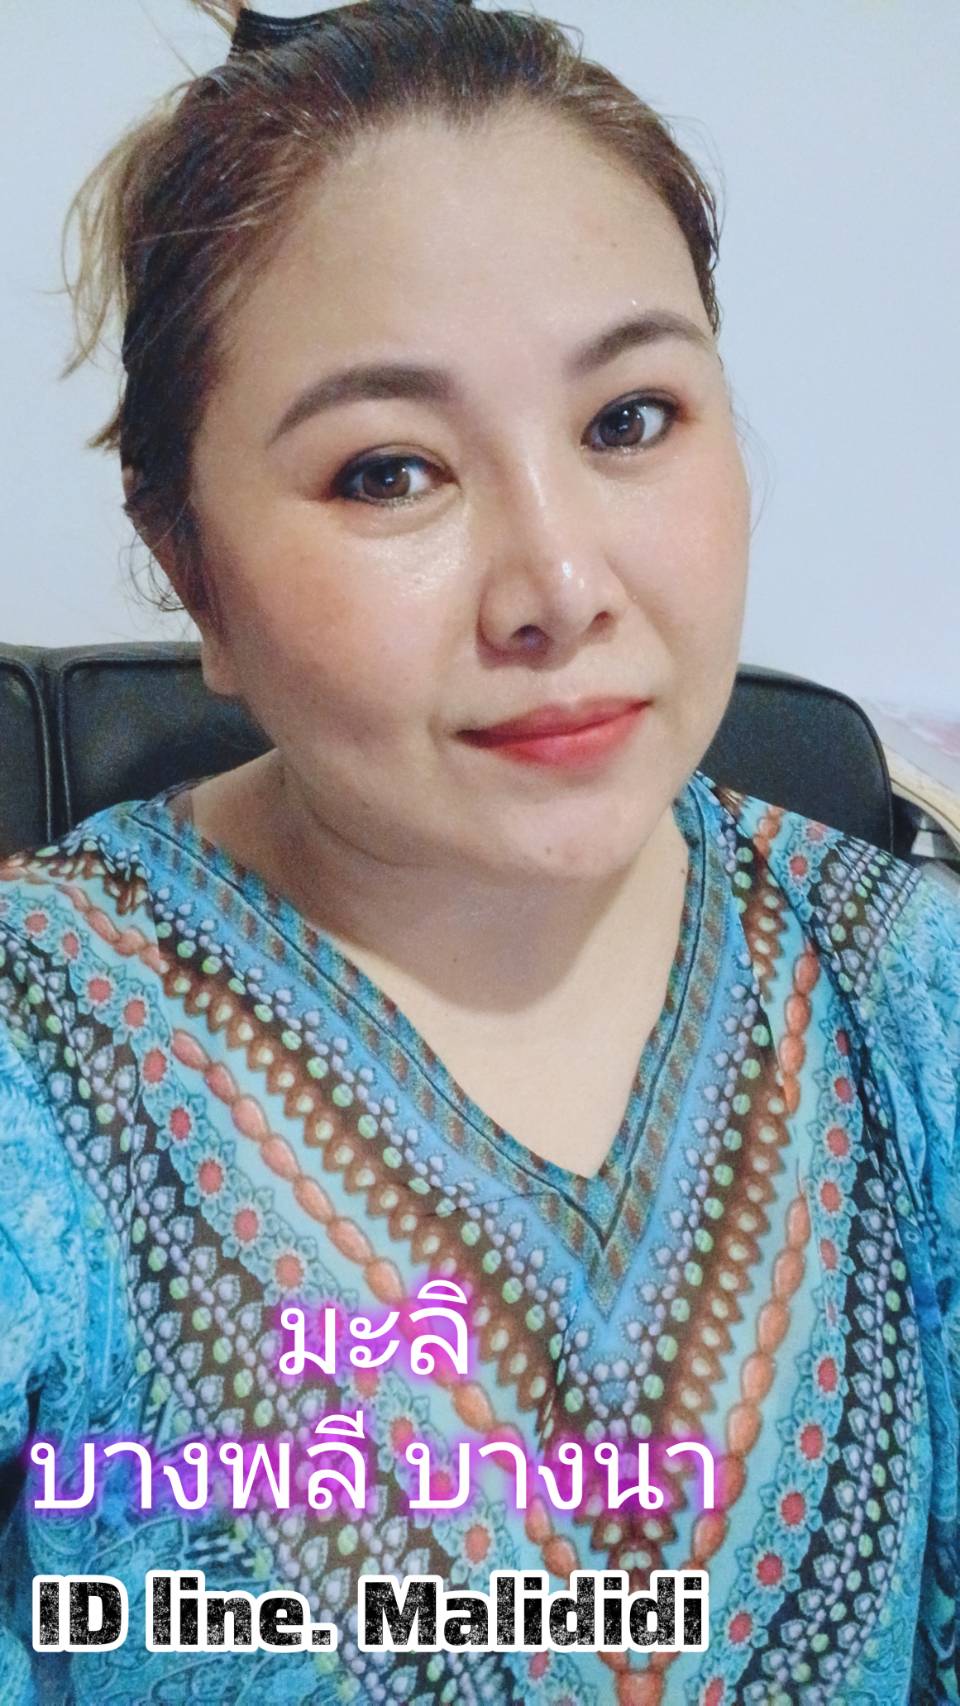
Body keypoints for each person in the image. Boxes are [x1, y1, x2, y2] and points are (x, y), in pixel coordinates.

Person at [0, 1, 957, 1701]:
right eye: (390, 471)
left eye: (630, 420)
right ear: (190, 562)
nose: (561, 589)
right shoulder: (41, 1062)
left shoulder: (913, 1003)